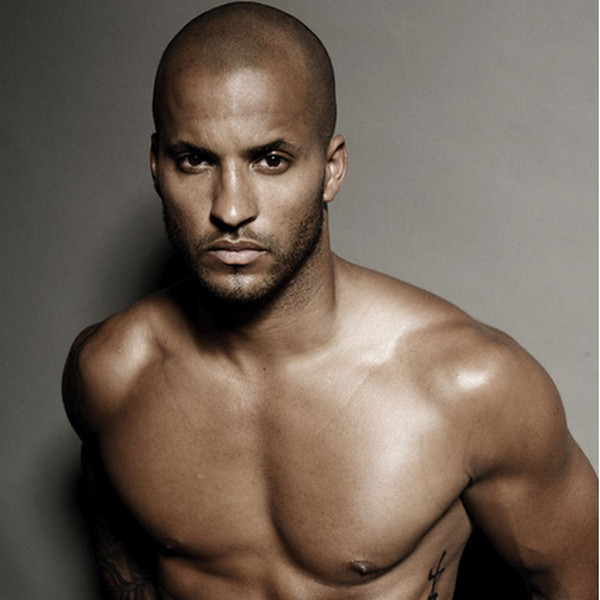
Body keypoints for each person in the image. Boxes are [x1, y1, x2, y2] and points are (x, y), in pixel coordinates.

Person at [62, 2, 597, 599]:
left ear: (331, 169)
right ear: (157, 167)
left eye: (270, 160)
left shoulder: (470, 389)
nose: (231, 209)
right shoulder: (110, 373)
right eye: (196, 160)